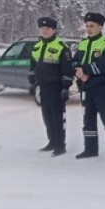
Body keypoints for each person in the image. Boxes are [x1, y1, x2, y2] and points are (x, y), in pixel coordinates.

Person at [73, 12, 105, 162]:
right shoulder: (82, 43)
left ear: (100, 27)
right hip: (85, 89)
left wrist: (85, 71)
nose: (89, 29)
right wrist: (79, 73)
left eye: (92, 26)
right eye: (87, 26)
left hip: (102, 89)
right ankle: (90, 149)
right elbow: (75, 62)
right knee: (88, 120)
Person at [29, 16, 73, 156]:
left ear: (54, 30)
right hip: (43, 87)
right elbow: (34, 66)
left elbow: (67, 70)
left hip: (56, 87)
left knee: (57, 117)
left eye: (48, 29)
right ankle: (52, 141)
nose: (45, 31)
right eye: (42, 28)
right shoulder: (37, 46)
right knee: (47, 116)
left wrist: (66, 88)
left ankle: (61, 144)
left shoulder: (61, 47)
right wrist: (32, 82)